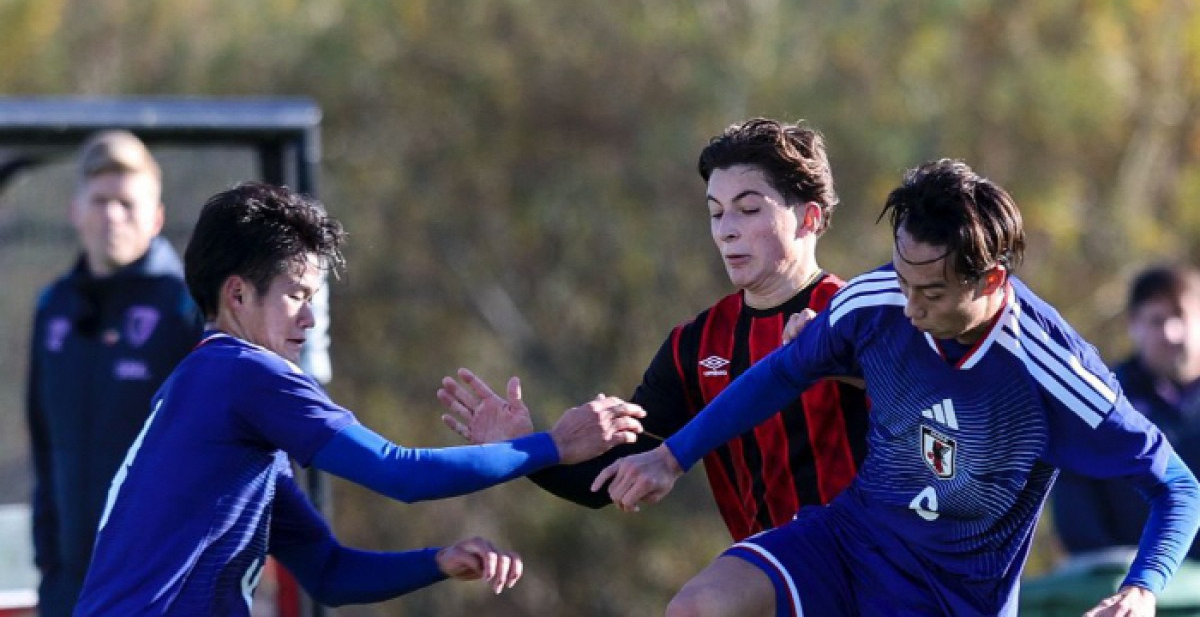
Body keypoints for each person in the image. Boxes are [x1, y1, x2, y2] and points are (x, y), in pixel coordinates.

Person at [594, 159, 1200, 616]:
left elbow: (1177, 486)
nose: (909, 306)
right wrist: (673, 456)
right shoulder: (874, 300)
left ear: (991, 281)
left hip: (956, 598)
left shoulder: (1056, 373)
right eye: (903, 278)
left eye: (931, 292)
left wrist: (1142, 588)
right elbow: (781, 372)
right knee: (698, 607)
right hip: (849, 545)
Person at [73, 182, 646, 615]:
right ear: (238, 295)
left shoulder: (213, 391)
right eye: (297, 295)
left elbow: (327, 572)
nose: (309, 318)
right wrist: (553, 446)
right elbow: (400, 472)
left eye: (314, 298)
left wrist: (437, 563)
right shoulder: (245, 373)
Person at [439, 118, 869, 542]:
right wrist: (519, 450)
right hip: (770, 571)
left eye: (749, 209)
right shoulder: (695, 345)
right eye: (716, 213)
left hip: (876, 562)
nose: (726, 231)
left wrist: (840, 359)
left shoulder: (862, 315)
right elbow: (609, 480)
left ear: (809, 218)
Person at [25, 130, 205, 616]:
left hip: (159, 587)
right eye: (100, 201)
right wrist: (50, 566)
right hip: (69, 588)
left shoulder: (188, 310)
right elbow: (43, 444)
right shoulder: (53, 307)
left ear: (157, 217)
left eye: (127, 203)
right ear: (75, 210)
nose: (112, 216)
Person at [1053, 264, 1200, 561]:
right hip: (1130, 581)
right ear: (1133, 325)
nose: (1171, 333)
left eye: (1180, 316)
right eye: (1157, 320)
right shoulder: (1098, 406)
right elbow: (1077, 513)